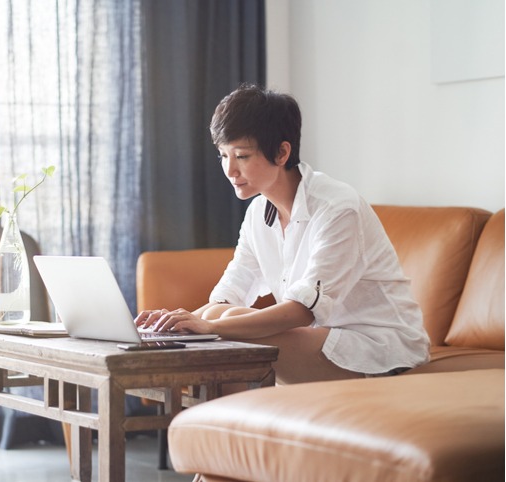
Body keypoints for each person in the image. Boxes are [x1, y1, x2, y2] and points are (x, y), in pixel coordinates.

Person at [135, 84, 430, 384]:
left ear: (281, 152)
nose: (230, 170)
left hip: (380, 348)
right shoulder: (257, 212)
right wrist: (172, 322)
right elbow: (230, 291)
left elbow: (302, 312)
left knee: (222, 326)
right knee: (216, 318)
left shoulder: (338, 208)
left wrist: (211, 327)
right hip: (321, 339)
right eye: (223, 155)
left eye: (243, 156)